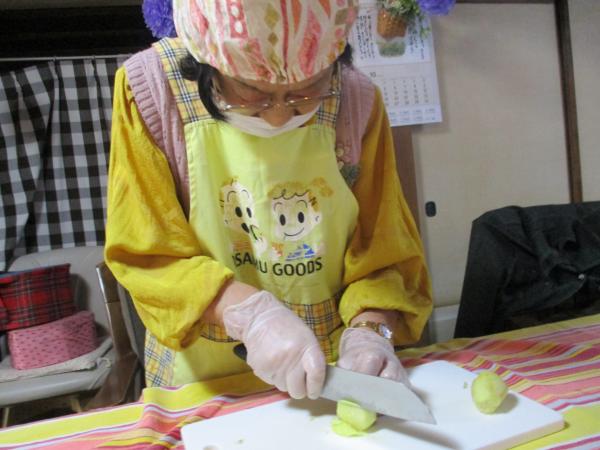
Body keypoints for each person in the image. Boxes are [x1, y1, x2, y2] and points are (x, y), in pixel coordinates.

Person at [105, 0, 432, 399]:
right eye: (251, 91)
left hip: (331, 373)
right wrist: (249, 315)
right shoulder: (154, 91)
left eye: (306, 91)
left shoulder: (356, 99)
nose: (278, 116)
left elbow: (384, 254)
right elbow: (148, 255)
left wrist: (371, 332)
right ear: (207, 61)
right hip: (206, 379)